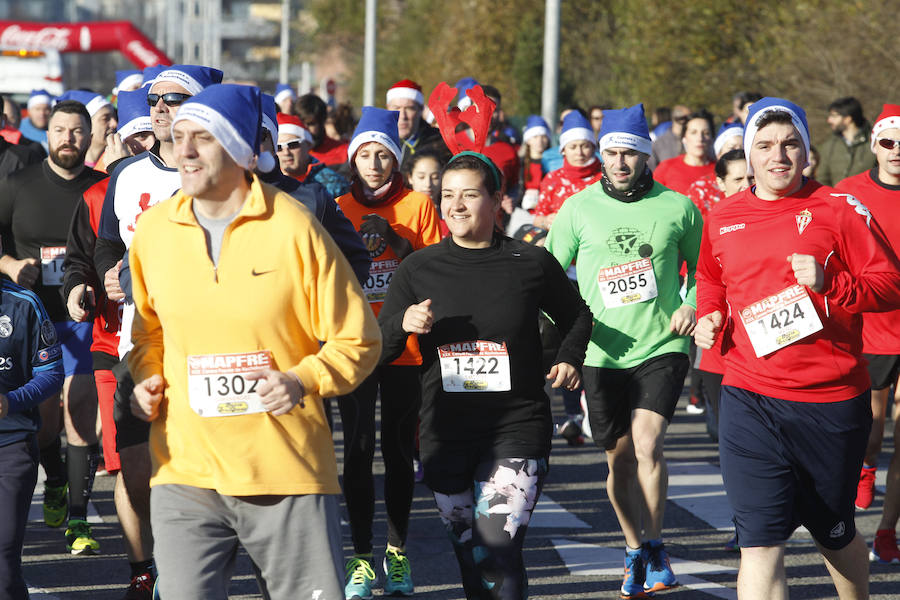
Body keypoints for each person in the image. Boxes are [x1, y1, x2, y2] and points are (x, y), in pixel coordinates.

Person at [127, 82, 381, 599]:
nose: (186, 151)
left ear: (242, 150)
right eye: (179, 137)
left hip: (283, 469)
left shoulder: (294, 229)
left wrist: (301, 379)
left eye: (204, 138)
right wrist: (146, 376)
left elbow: (358, 339)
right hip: (185, 467)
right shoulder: (154, 232)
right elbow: (147, 330)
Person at [694, 97, 900, 599]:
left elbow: (890, 283)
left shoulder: (837, 209)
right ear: (750, 153)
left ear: (806, 152)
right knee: (760, 544)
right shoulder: (723, 216)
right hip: (749, 393)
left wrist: (835, 282)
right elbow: (709, 276)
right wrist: (710, 313)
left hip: (829, 400)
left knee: (833, 532)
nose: (777, 155)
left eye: (790, 144)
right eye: (764, 145)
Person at [378, 147, 592, 598]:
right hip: (445, 430)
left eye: (469, 195)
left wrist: (569, 358)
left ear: (496, 201)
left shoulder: (529, 263)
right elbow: (380, 345)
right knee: (473, 555)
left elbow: (576, 314)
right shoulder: (419, 268)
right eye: (448, 195)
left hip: (516, 426)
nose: (455, 205)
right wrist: (403, 323)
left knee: (497, 545)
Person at [545, 103, 702, 598]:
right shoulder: (578, 208)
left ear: (644, 157)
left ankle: (656, 546)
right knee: (619, 461)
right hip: (601, 351)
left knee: (648, 445)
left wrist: (693, 305)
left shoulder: (678, 207)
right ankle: (634, 545)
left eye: (629, 154)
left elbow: (709, 270)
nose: (618, 162)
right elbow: (548, 278)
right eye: (611, 153)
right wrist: (564, 347)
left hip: (662, 343)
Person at [93, 63, 223, 596]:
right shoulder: (127, 174)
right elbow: (107, 243)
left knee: (198, 465)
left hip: (203, 345)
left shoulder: (221, 172)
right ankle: (152, 556)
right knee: (137, 465)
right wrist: (105, 274)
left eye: (173, 98)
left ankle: (190, 562)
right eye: (154, 99)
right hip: (136, 341)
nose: (160, 107)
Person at [335, 106, 442, 599]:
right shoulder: (335, 207)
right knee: (356, 452)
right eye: (366, 155)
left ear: (396, 159)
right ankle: (360, 558)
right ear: (353, 160)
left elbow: (436, 271)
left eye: (383, 154)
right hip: (356, 346)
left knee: (398, 452)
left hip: (407, 349)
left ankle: (396, 555)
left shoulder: (418, 205)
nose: (374, 163)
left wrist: (395, 240)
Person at [0, 99, 107, 555]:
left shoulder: (105, 187)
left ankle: (79, 521)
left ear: (89, 137)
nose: (68, 138)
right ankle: (58, 479)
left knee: (80, 412)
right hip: (31, 319)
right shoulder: (18, 184)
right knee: (45, 424)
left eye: (78, 131)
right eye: (60, 130)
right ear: (47, 133)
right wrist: (8, 263)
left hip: (84, 318)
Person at [834, 104, 900, 554]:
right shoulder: (847, 194)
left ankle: (886, 530)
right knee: (873, 432)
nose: (898, 151)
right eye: (890, 142)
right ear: (874, 145)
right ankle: (863, 467)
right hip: (873, 331)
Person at [0, 278, 64, 600]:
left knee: (2, 564)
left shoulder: (24, 304)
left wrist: (11, 401)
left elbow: (52, 373)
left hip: (11, 447)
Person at [533, 111, 602, 230]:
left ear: (593, 148)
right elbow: (537, 218)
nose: (579, 153)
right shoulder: (553, 178)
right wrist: (546, 221)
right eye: (573, 147)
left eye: (585, 146)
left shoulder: (605, 177)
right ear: (563, 150)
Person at [275, 112, 350, 199]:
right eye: (279, 147)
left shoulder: (334, 183)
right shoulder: (268, 183)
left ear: (308, 144)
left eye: (293, 144)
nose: (286, 152)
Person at [385, 79, 447, 172]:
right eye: (396, 108)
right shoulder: (380, 142)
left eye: (409, 108)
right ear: (387, 108)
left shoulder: (440, 144)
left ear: (421, 109)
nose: (402, 116)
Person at [687, 122, 744, 218]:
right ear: (719, 154)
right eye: (732, 148)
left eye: (743, 148)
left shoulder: (758, 184)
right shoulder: (701, 189)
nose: (738, 153)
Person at [817, 96, 876, 186]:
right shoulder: (829, 146)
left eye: (834, 116)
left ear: (848, 118)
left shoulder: (875, 143)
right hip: (835, 199)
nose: (829, 120)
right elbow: (822, 179)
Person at [653, 110, 715, 195]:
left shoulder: (720, 171)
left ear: (712, 139)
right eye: (693, 132)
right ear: (684, 137)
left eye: (706, 133)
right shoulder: (665, 168)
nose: (700, 138)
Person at [55, 90, 118, 171]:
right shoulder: (69, 171)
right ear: (85, 125)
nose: (114, 124)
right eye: (105, 118)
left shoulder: (117, 162)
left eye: (114, 117)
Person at [296, 93, 350, 173]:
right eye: (300, 124)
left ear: (322, 122)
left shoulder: (344, 152)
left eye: (311, 124)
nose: (305, 129)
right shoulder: (286, 153)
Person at [648, 104, 690, 169]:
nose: (691, 120)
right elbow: (652, 169)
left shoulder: (694, 140)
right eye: (688, 118)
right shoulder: (659, 143)